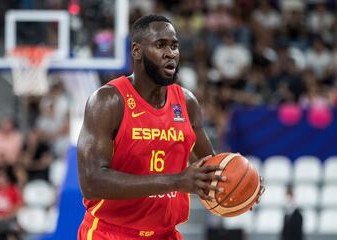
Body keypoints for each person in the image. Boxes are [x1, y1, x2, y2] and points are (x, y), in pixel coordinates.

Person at [77, 15, 263, 240]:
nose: (170, 53)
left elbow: (211, 169)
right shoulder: (108, 101)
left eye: (174, 46)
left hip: (165, 234)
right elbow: (92, 182)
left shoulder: (187, 103)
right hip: (110, 233)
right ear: (137, 51)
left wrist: (244, 186)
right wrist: (176, 181)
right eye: (160, 45)